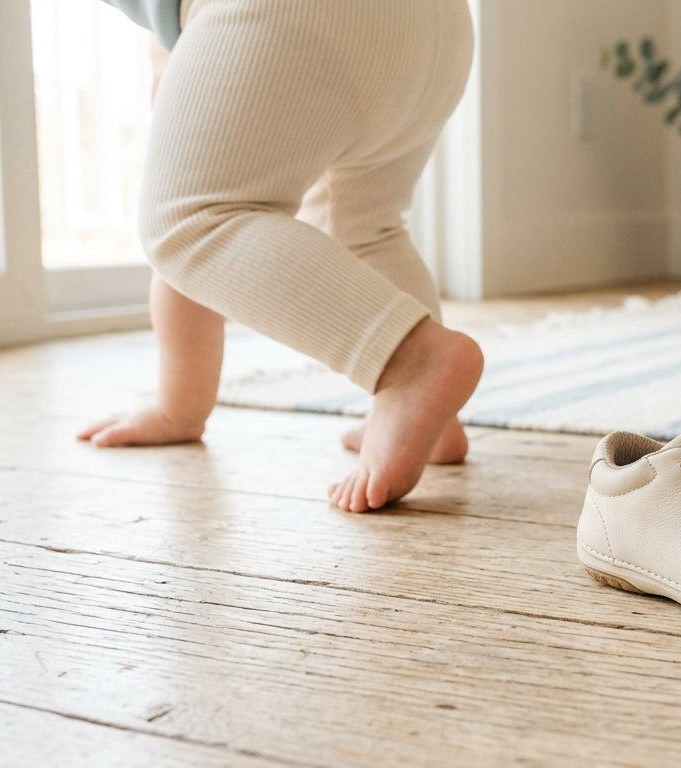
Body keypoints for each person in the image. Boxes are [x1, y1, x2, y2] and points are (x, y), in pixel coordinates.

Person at [78, 0, 482, 514]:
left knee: (193, 218)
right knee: (364, 229)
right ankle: (433, 419)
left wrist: (176, 408)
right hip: (437, 26)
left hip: (299, 13)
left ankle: (410, 363)